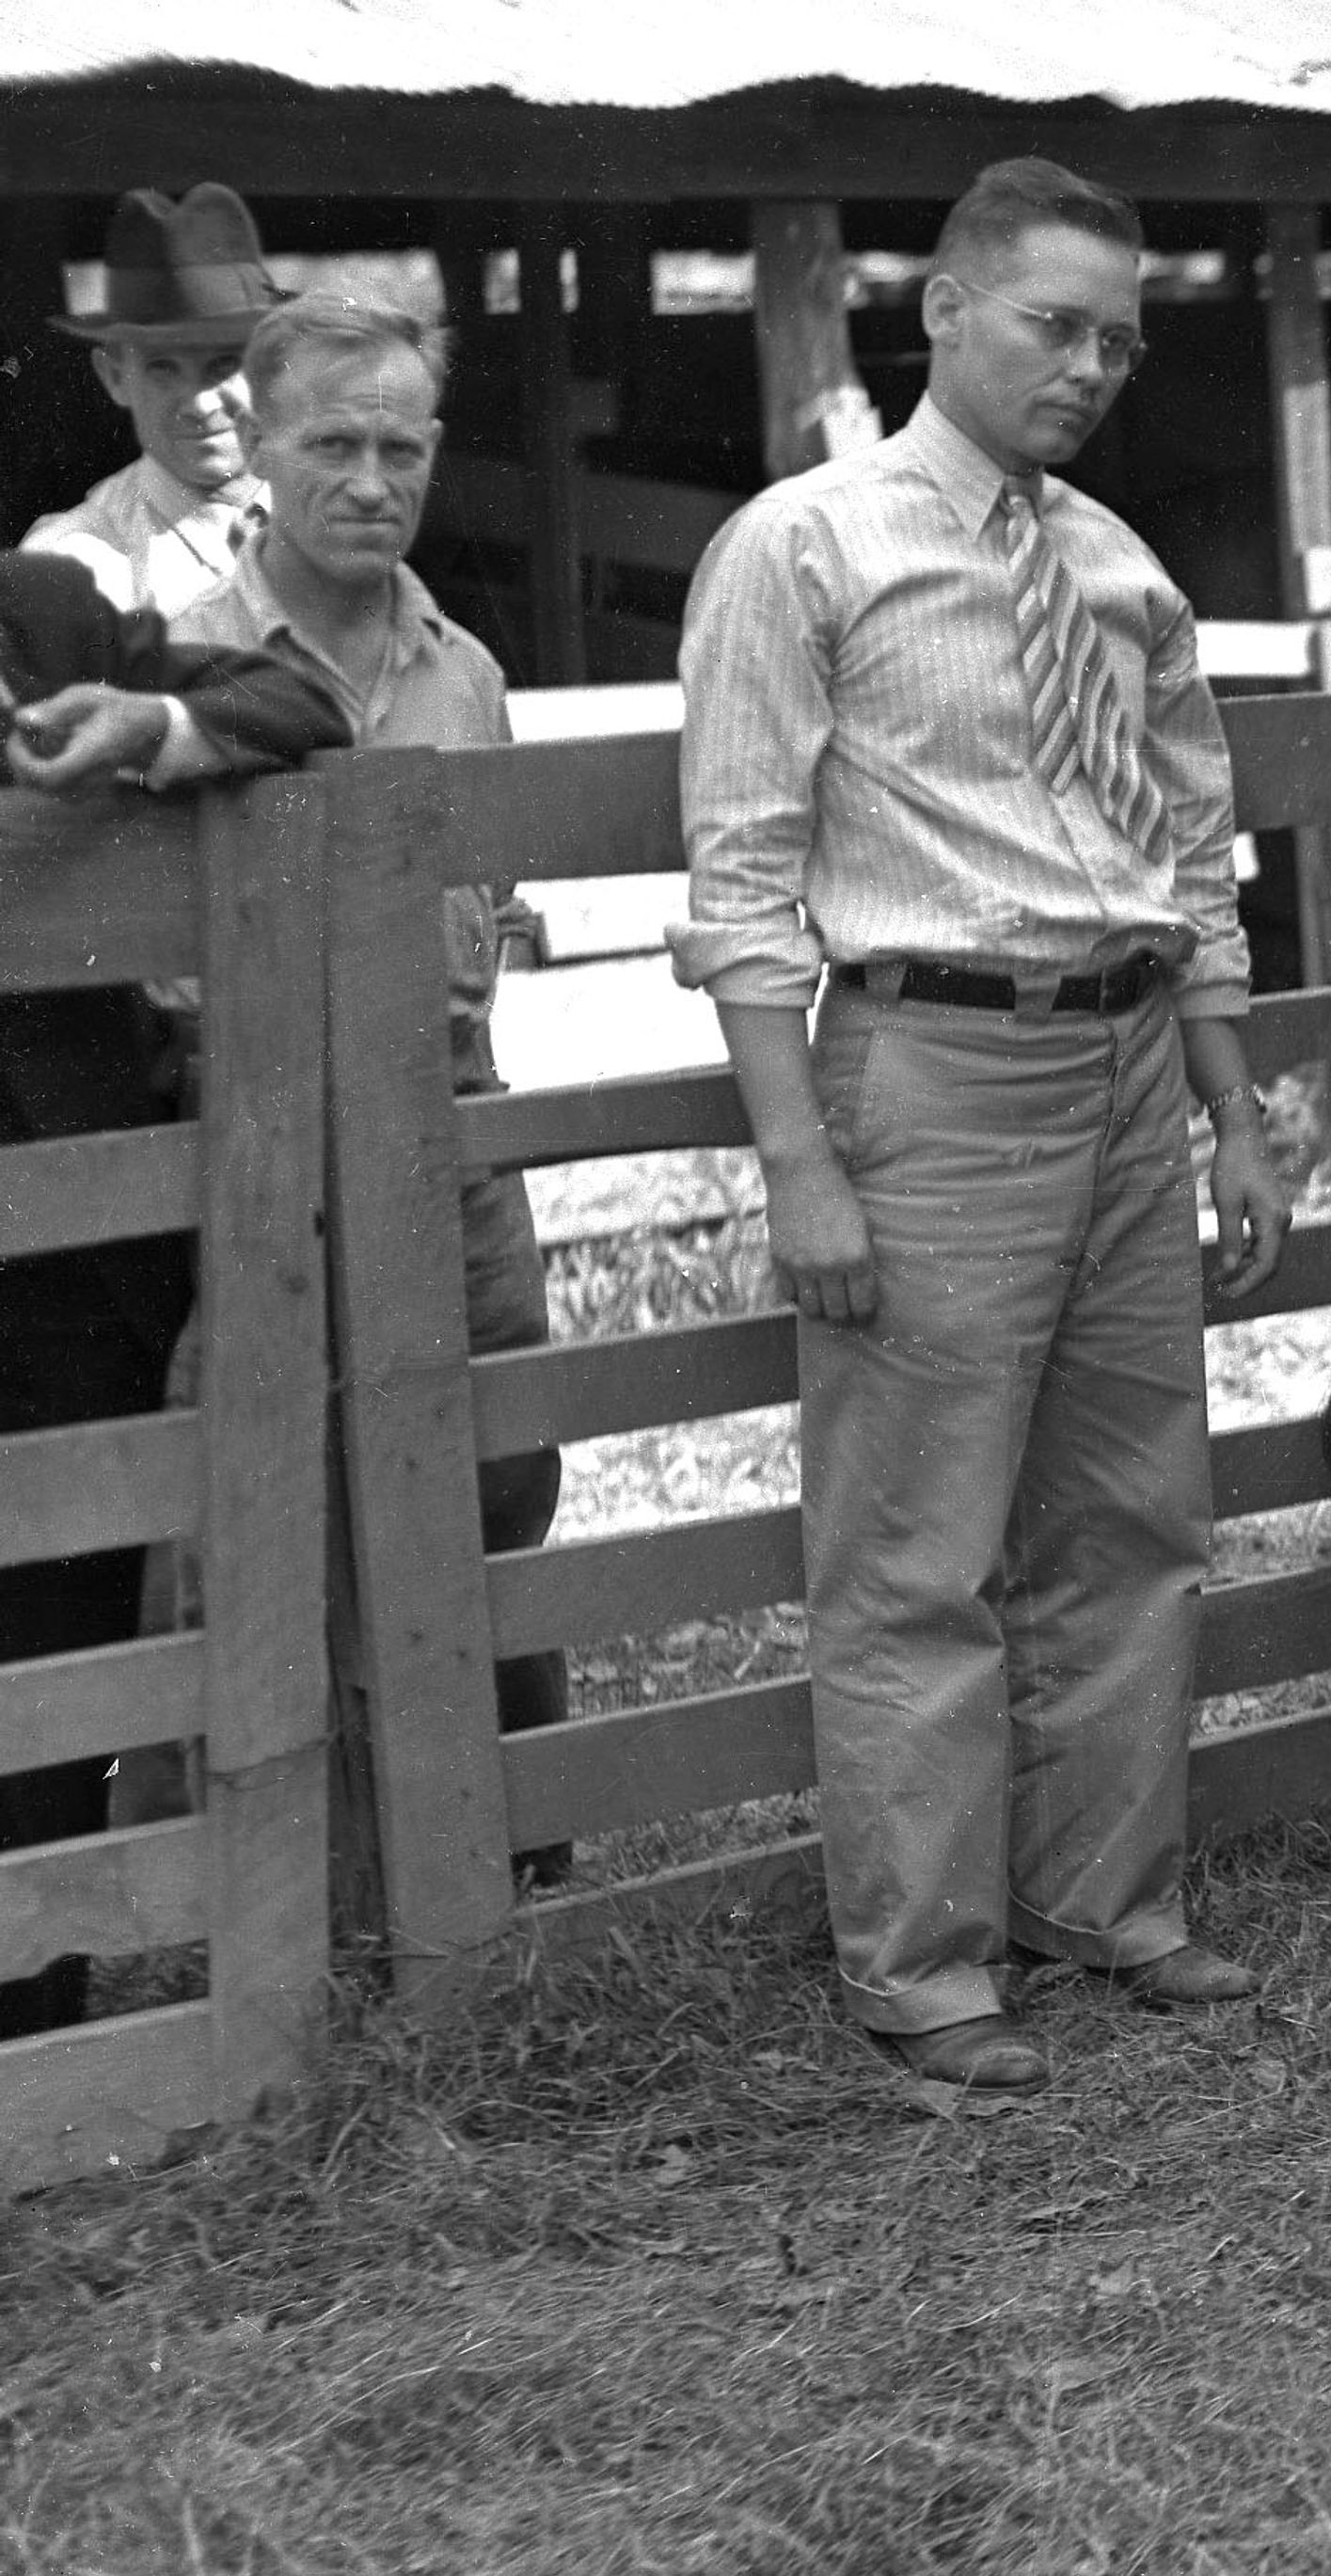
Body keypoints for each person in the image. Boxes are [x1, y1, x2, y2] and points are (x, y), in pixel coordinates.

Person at [673, 156, 1293, 2094]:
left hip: (1122, 1073)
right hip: (929, 1073)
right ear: (941, 311)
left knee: (1133, 1511)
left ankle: (1108, 1896)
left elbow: (1192, 854)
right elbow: (745, 876)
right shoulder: (805, 548)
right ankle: (926, 1961)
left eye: (1120, 335)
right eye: (1055, 324)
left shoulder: (1118, 567)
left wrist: (1230, 1107)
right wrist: (798, 1158)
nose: (1093, 365)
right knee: (921, 1548)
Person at [167, 295, 568, 1857]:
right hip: (260, 1142)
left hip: (458, 1137)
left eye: (401, 445)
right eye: (331, 442)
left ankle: (512, 1837)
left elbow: (501, 897)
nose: (369, 477)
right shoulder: (185, 667)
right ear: (257, 449)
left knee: (503, 1466)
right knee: (268, 1500)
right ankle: (282, 1863)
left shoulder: (462, 669)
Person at [0, 546, 350, 2037]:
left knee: (55, 1626)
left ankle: (30, 1999)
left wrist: (143, 729)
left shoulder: (45, 612)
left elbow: (298, 701)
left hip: (74, 1253)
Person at [25, 185, 281, 617]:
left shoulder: (338, 506)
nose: (200, 405)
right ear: (115, 377)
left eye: (223, 365)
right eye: (162, 367)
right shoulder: (72, 567)